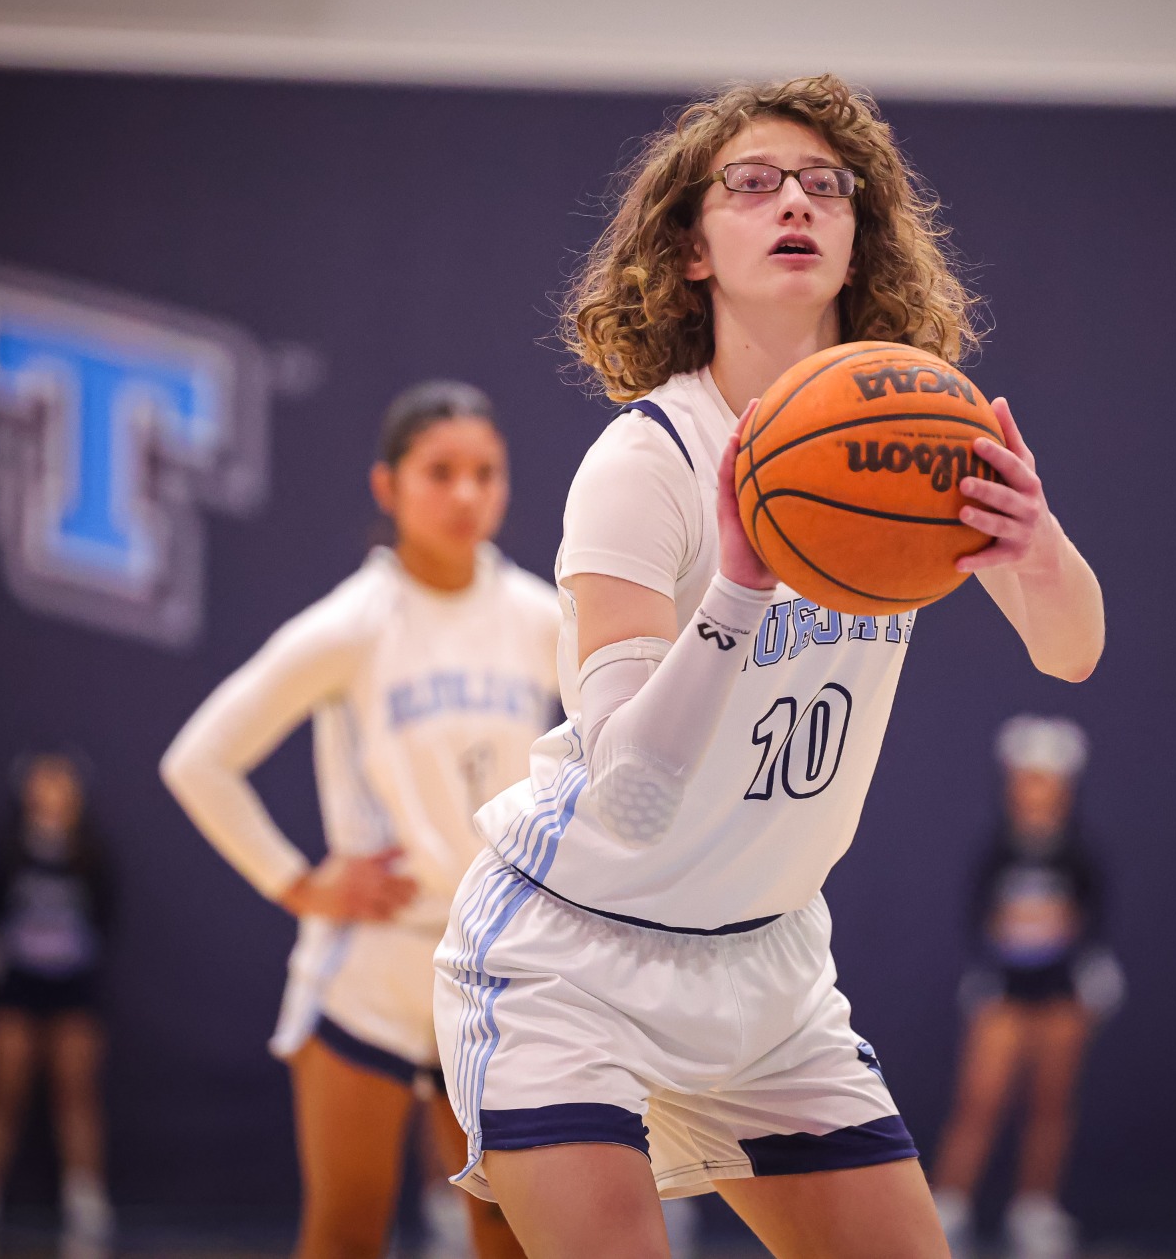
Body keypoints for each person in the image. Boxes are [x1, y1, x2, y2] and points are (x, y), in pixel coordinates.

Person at [433, 73, 1105, 1259]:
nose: (791, 198)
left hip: (769, 967)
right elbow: (632, 800)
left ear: (857, 239)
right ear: (692, 247)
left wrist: (1030, 539)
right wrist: (740, 586)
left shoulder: (915, 436)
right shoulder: (645, 460)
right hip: (574, 956)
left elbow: (1072, 649)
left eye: (822, 184)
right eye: (751, 183)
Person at [162, 381, 553, 1259]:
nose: (465, 494)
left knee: (513, 1231)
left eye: (485, 473)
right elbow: (198, 760)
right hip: (371, 968)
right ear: (389, 486)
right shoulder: (351, 625)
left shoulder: (542, 615)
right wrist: (295, 882)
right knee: (346, 1233)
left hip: (496, 967)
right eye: (440, 471)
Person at [932, 716, 1123, 1259]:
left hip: (1061, 995)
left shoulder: (1081, 857)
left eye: (1046, 780)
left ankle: (1035, 1208)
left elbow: (1093, 922)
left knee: (1051, 1103)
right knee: (979, 1099)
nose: (1034, 791)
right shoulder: (995, 854)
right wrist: (985, 975)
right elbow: (978, 922)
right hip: (1005, 996)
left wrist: (1091, 975)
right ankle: (948, 1202)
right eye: (1026, 779)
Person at [0, 750, 115, 1259]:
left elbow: (106, 920)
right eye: (44, 784)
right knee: (1, 1090)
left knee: (76, 1093)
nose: (52, 795)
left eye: (62, 785)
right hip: (15, 992)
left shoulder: (92, 856)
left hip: (73, 992)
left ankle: (86, 1200)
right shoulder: (6, 854)